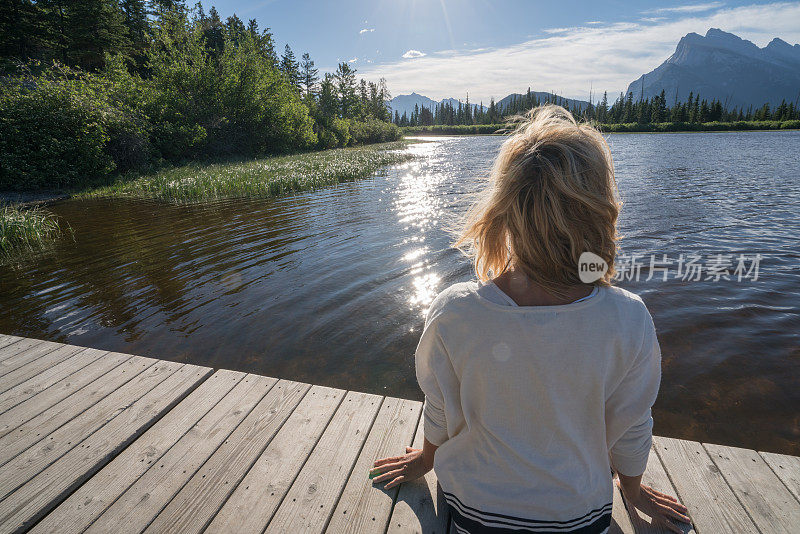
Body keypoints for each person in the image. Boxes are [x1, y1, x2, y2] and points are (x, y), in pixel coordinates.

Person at [370, 105, 691, 534]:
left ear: (503, 211)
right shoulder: (629, 317)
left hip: (473, 517)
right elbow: (632, 426)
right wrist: (631, 493)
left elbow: (441, 409)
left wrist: (425, 460)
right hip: (583, 521)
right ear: (599, 213)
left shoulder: (455, 311)